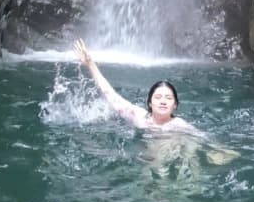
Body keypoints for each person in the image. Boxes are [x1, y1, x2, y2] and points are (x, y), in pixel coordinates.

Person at [72, 39, 200, 134]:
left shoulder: (180, 126)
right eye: (158, 97)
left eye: (168, 98)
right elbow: (111, 96)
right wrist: (90, 64)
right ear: (150, 103)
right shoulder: (139, 117)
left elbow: (203, 139)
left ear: (175, 105)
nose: (163, 101)